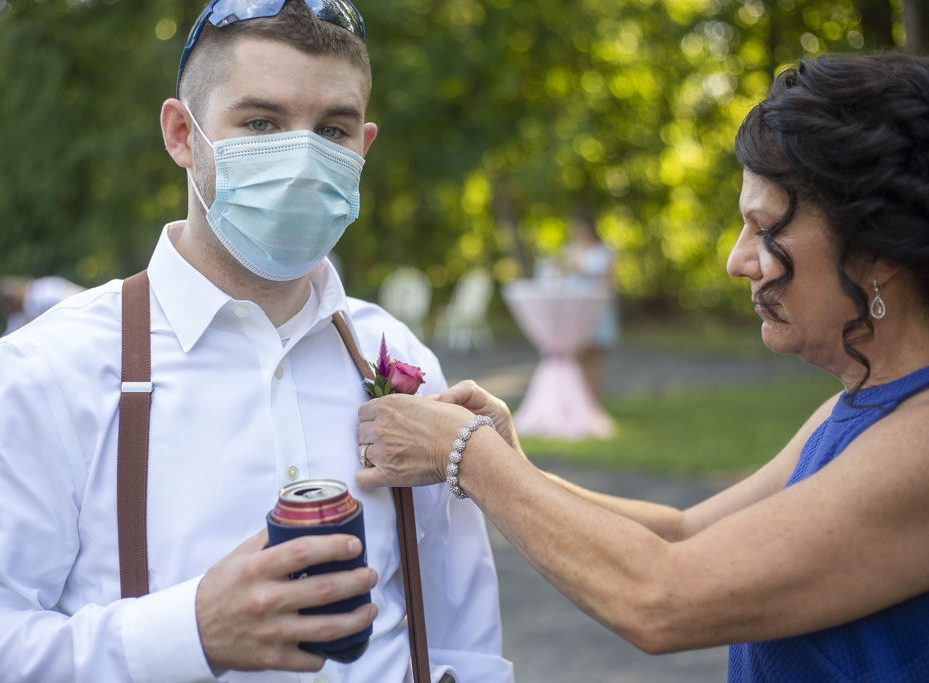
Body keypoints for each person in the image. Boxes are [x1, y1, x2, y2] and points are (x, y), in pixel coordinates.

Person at [0, 2, 511, 681]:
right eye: (261, 122)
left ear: (363, 147)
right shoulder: (53, 368)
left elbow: (465, 642)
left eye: (332, 129)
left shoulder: (397, 356)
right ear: (181, 134)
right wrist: (184, 632)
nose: (302, 157)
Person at [354, 52, 929, 681]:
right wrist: (509, 461)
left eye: (765, 230)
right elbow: (682, 532)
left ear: (876, 249)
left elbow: (663, 596)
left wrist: (466, 454)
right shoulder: (856, 407)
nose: (738, 262)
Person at [562, 206, 618, 397]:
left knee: (594, 354)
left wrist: (582, 271)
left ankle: (595, 396)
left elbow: (609, 280)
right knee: (577, 354)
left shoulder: (604, 251)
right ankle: (580, 398)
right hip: (574, 308)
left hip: (596, 309)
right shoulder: (570, 250)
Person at [0, 275, 86, 335]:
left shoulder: (47, 296)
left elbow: (77, 311)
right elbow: (9, 336)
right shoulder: (20, 312)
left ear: (11, 301)